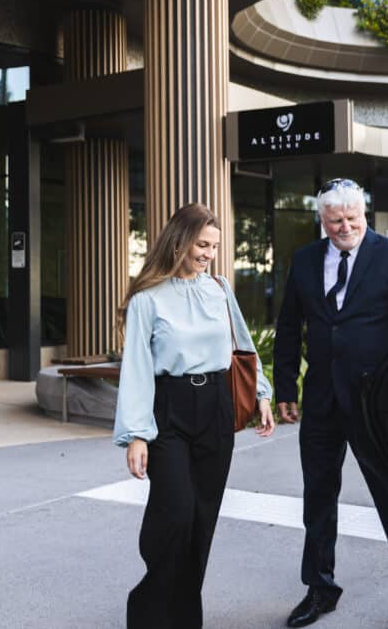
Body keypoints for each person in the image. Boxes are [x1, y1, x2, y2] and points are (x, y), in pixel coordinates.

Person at [274, 179, 388, 629]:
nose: (345, 227)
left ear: (364, 214)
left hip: (374, 402)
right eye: (336, 221)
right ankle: (320, 589)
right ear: (322, 220)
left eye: (352, 218)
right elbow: (289, 327)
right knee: (318, 498)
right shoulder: (305, 260)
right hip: (321, 400)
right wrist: (286, 388)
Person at [114, 203, 275, 629]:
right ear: (180, 241)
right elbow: (136, 368)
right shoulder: (147, 299)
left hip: (217, 407)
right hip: (169, 409)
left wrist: (261, 394)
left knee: (202, 520)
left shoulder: (220, 289)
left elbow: (243, 345)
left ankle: (186, 618)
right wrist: (136, 434)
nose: (209, 254)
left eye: (214, 246)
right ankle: (149, 614)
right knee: (175, 513)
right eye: (202, 244)